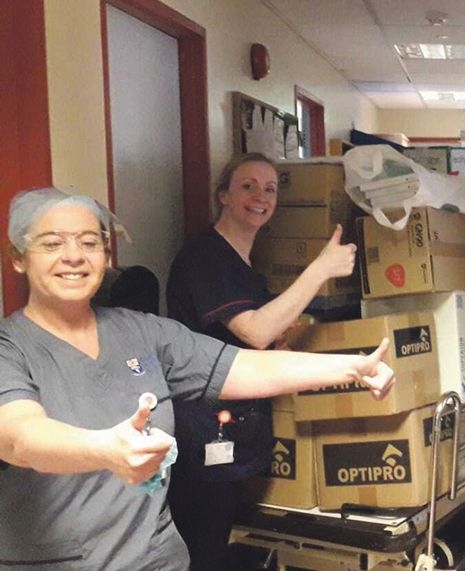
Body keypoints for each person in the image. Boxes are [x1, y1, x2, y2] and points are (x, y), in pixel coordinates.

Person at [0, 187, 393, 570]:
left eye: (89, 242)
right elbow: (19, 437)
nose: (73, 256)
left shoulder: (142, 332)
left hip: (158, 560)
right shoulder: (9, 347)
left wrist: (353, 367)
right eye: (51, 244)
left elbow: (243, 366)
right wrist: (105, 448)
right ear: (18, 257)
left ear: (105, 254)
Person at [165, 153, 357, 570]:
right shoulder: (204, 256)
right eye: (248, 186)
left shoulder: (245, 267)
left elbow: (257, 338)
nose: (261, 196)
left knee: (221, 540)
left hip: (236, 427)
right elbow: (254, 330)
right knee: (202, 546)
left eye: (270, 189)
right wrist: (321, 269)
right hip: (202, 431)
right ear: (224, 195)